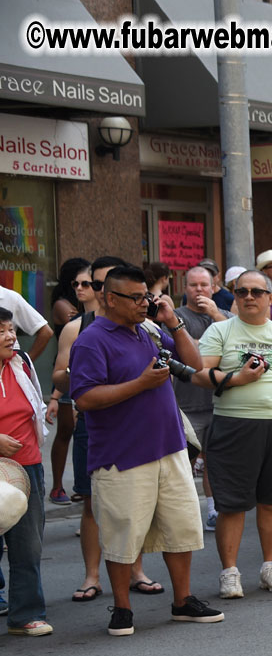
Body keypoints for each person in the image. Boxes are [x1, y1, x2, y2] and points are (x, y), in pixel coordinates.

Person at [68, 264, 222, 636]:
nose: (143, 304)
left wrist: (173, 321)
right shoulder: (91, 340)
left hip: (168, 446)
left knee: (180, 527)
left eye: (146, 297)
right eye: (135, 298)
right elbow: (85, 398)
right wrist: (139, 384)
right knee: (122, 533)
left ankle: (182, 600)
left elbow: (195, 364)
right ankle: (122, 608)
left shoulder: (148, 331)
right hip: (122, 454)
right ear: (108, 298)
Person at [52, 258, 162, 603]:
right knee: (91, 501)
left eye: (98, 284)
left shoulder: (141, 326)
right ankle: (91, 575)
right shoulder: (78, 328)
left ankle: (136, 570)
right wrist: (80, 373)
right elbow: (58, 377)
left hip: (138, 424)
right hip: (94, 421)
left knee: (136, 503)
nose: (93, 291)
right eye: (88, 285)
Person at [193, 270, 272, 598]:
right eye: (241, 292)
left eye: (257, 292)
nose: (249, 297)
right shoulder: (220, 330)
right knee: (231, 504)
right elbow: (200, 374)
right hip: (233, 424)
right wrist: (236, 380)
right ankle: (230, 573)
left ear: (271, 298)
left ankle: (270, 567)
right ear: (234, 296)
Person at [0, 307, 52, 636]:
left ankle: (25, 614)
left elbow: (36, 406)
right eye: (1, 332)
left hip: (27, 467)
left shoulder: (23, 363)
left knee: (27, 545)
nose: (10, 337)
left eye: (12, 330)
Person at [173, 266, 229, 529]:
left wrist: (215, 314)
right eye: (193, 285)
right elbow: (180, 354)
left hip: (219, 402)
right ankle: (184, 512)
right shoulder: (175, 317)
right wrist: (203, 347)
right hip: (187, 404)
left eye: (203, 285)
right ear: (185, 288)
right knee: (185, 461)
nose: (199, 291)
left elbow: (233, 342)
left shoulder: (224, 316)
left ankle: (213, 510)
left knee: (215, 462)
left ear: (213, 287)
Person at [45, 259, 90, 506]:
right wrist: (53, 396)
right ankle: (57, 486)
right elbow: (76, 324)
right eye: (77, 283)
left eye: (87, 283)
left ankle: (83, 491)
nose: (81, 288)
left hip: (78, 374)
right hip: (67, 372)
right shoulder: (64, 307)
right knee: (65, 431)